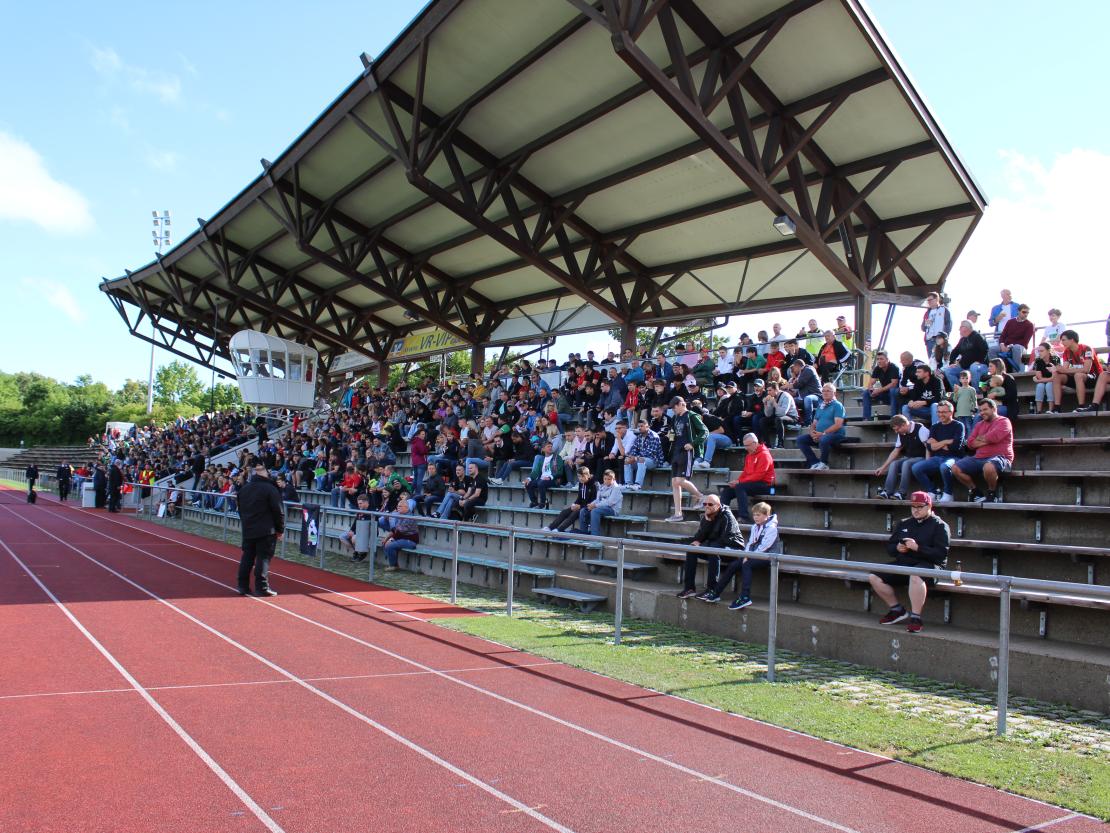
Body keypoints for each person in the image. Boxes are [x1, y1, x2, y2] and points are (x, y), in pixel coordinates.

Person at [868, 491, 950, 634]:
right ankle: (897, 610)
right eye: (913, 506)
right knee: (874, 576)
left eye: (920, 506)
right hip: (906, 563)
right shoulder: (904, 523)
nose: (916, 510)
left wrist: (918, 548)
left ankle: (916, 618)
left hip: (931, 565)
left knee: (915, 575)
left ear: (929, 506)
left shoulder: (940, 525)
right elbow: (890, 547)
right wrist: (898, 548)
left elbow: (941, 554)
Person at [696, 502, 782, 608]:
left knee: (747, 564)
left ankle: (745, 597)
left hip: (769, 557)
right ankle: (716, 593)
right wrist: (746, 555)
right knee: (734, 564)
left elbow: (764, 547)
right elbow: (750, 543)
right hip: (753, 556)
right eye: (754, 515)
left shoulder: (772, 528)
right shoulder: (755, 526)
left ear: (766, 515)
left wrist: (748, 557)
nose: (755, 517)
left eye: (758, 515)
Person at [940, 398, 1013, 503]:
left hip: (1001, 457)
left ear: (994, 409)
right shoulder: (979, 424)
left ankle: (992, 493)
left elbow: (995, 437)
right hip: (979, 457)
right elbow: (970, 443)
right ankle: (975, 491)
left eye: (985, 409)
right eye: (980, 410)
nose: (982, 413)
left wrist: (980, 439)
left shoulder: (1004, 421)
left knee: (988, 467)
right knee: (955, 468)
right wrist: (986, 440)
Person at [676, 494, 744, 599]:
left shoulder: (727, 516)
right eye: (705, 504)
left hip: (733, 549)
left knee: (713, 549)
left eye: (710, 504)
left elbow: (724, 540)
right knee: (691, 549)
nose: (707, 506)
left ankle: (711, 589)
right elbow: (698, 537)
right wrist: (707, 523)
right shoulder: (706, 516)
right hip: (715, 547)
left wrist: (704, 543)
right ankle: (689, 588)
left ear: (718, 505)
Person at [235, 462, 285, 597]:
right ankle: (261, 587)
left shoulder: (244, 489)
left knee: (247, 557)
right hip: (266, 530)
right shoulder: (270, 489)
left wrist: (246, 523)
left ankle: (242, 585)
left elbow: (240, 509)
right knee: (263, 558)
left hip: (249, 528)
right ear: (265, 473)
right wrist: (280, 529)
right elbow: (278, 511)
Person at [664, 396, 706, 522]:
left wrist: (693, 444)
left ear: (681, 404)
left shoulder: (692, 415)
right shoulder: (676, 418)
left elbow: (704, 432)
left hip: (686, 451)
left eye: (675, 407)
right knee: (674, 483)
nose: (674, 410)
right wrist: (670, 436)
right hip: (676, 451)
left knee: (680, 481)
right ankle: (678, 514)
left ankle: (700, 496)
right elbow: (674, 433)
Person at [910, 401, 965, 496]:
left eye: (943, 412)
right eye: (939, 412)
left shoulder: (959, 425)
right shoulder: (935, 426)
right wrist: (946, 442)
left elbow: (955, 447)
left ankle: (948, 493)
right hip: (937, 458)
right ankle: (932, 491)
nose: (940, 414)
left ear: (951, 412)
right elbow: (930, 447)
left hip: (954, 457)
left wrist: (937, 444)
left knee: (944, 467)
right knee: (916, 468)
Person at [718, 433, 775, 523]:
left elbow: (759, 475)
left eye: (747, 445)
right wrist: (737, 481)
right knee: (726, 491)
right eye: (744, 445)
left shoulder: (764, 455)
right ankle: (722, 517)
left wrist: (740, 482)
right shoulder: (749, 455)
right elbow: (745, 472)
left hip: (767, 486)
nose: (746, 448)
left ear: (755, 443)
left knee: (740, 487)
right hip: (752, 484)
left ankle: (744, 517)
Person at [874, 414, 930, 501]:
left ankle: (901, 493)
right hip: (910, 457)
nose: (896, 432)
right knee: (894, 464)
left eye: (897, 429)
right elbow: (896, 451)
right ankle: (887, 492)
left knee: (906, 464)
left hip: (921, 457)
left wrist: (927, 464)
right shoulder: (901, 433)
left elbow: (928, 448)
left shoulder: (921, 429)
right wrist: (883, 467)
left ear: (904, 425)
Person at [796, 383, 846, 470]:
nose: (825, 393)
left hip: (836, 435)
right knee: (801, 439)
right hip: (820, 435)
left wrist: (823, 433)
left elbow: (838, 424)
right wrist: (812, 433)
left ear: (834, 393)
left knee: (824, 439)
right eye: (823, 391)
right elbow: (814, 424)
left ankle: (824, 463)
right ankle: (814, 462)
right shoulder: (821, 406)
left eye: (828, 391)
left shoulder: (838, 405)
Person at [1052, 329, 1103, 413]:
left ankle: (1081, 406)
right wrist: (1056, 368)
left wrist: (1065, 370)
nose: (1062, 343)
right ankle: (1057, 408)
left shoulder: (1086, 348)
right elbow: (1064, 369)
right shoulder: (1066, 352)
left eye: (1064, 340)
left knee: (1078, 375)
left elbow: (1086, 370)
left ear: (1072, 340)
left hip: (1095, 377)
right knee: (1057, 377)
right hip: (1078, 378)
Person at [546, 467, 596, 533]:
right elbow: (579, 497)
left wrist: (580, 507)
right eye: (579, 476)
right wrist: (574, 504)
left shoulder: (594, 485)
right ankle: (550, 527)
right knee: (565, 512)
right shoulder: (581, 483)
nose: (580, 478)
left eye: (582, 476)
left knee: (574, 514)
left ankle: (559, 530)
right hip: (581, 506)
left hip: (588, 507)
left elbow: (594, 500)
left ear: (588, 475)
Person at [944, 320, 990, 389]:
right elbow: (955, 352)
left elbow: (985, 349)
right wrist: (952, 363)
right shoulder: (962, 340)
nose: (959, 329)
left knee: (973, 367)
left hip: (981, 365)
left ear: (966, 328)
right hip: (965, 367)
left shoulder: (977, 336)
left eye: (961, 327)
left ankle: (976, 392)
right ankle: (959, 391)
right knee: (949, 370)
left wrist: (980, 361)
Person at [578, 469, 623, 536]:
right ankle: (583, 534)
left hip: (612, 510)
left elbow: (609, 502)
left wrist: (595, 506)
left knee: (595, 511)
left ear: (614, 479)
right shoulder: (602, 487)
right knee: (583, 510)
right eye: (605, 479)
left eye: (609, 479)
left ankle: (594, 536)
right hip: (601, 508)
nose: (607, 481)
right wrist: (591, 504)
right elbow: (597, 499)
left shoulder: (616, 488)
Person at [378, 499, 419, 571]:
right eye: (398, 506)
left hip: (410, 540)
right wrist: (386, 538)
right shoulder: (400, 515)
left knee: (390, 545)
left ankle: (393, 566)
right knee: (385, 543)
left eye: (400, 506)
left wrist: (391, 539)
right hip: (402, 538)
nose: (398, 507)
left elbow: (399, 532)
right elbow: (394, 530)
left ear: (406, 507)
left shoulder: (409, 517)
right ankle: (395, 565)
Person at [624, 420, 664, 491]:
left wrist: (635, 458)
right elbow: (634, 449)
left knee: (641, 460)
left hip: (654, 461)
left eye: (642, 426)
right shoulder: (639, 436)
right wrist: (631, 457)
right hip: (641, 459)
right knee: (627, 461)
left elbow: (650, 453)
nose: (639, 428)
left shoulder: (654, 436)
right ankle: (628, 484)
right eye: (639, 426)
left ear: (647, 427)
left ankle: (638, 485)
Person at [862, 351, 900, 420]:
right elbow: (871, 382)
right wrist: (871, 389)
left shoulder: (894, 368)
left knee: (892, 391)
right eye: (878, 359)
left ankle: (894, 419)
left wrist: (879, 390)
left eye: (881, 359)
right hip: (885, 394)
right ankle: (866, 418)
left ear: (887, 359)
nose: (879, 361)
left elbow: (894, 384)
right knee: (866, 392)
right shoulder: (877, 368)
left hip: (896, 395)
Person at [996, 304, 1034, 372]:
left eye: (1027, 312)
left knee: (1016, 348)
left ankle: (1016, 373)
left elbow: (1025, 342)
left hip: (1020, 347)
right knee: (992, 349)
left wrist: (1010, 346)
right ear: (1018, 311)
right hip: (1006, 346)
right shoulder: (1010, 322)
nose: (1026, 314)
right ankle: (997, 373)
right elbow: (1003, 336)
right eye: (1024, 312)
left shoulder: (1030, 325)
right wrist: (1002, 344)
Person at [761, 381, 797, 449]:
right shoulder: (770, 397)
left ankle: (780, 444)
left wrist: (774, 403)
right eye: (767, 390)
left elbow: (782, 413)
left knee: (778, 419)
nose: (768, 392)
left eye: (770, 390)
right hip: (777, 416)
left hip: (791, 417)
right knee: (762, 421)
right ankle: (767, 444)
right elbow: (768, 414)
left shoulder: (786, 396)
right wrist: (765, 404)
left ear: (776, 390)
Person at [523, 441, 560, 509]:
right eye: (548, 446)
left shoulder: (557, 458)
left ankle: (543, 503)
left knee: (541, 483)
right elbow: (535, 472)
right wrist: (529, 478)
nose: (550, 448)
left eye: (551, 446)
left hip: (552, 479)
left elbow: (559, 471)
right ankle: (534, 502)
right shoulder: (541, 459)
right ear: (543, 449)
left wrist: (550, 477)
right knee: (528, 484)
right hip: (542, 479)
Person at [920, 292, 952, 362]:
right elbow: (923, 328)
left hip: (940, 339)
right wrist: (926, 324)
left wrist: (945, 337)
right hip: (930, 340)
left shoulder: (944, 310)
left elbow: (948, 324)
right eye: (928, 300)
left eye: (930, 300)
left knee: (941, 361)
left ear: (936, 299)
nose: (929, 302)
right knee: (932, 361)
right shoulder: (927, 312)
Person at [1030, 343, 1061, 414]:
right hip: (1045, 381)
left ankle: (1051, 409)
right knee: (1040, 386)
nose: (1039, 353)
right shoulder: (1038, 360)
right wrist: (1040, 380)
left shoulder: (1055, 359)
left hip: (1055, 382)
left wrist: (1038, 381)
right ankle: (1039, 411)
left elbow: (1054, 377)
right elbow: (1039, 376)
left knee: (1049, 385)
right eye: (1039, 351)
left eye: (1042, 351)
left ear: (1048, 351)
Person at [344, 493, 373, 563]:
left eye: (360, 503)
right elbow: (355, 523)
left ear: (366, 502)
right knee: (342, 537)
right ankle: (356, 552)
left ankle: (363, 553)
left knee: (354, 538)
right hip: (359, 532)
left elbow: (370, 528)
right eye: (358, 503)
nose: (359, 505)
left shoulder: (371, 510)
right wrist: (351, 530)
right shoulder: (360, 510)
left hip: (368, 533)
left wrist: (355, 533)